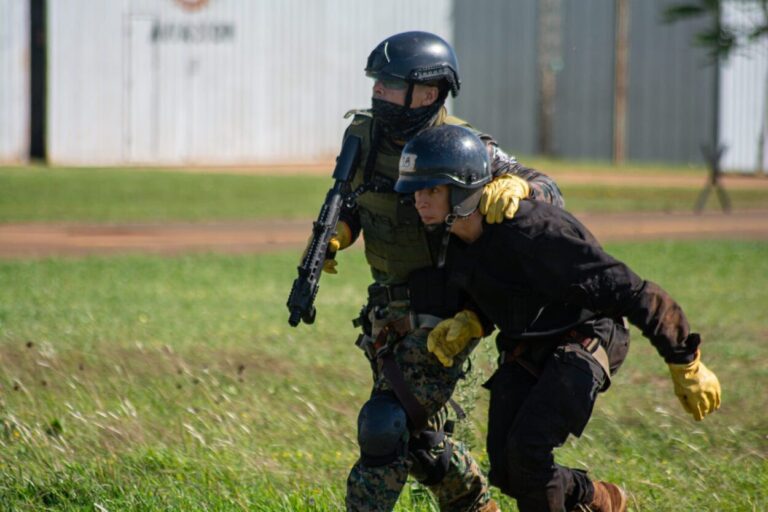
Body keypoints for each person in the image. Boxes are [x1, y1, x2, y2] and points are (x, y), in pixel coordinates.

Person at [393, 124, 722, 512]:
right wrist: (474, 321)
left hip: (586, 335)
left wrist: (685, 360)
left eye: (432, 189)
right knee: (506, 468)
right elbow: (504, 286)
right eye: (417, 190)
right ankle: (597, 497)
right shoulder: (454, 237)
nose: (420, 201)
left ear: (465, 188)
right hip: (528, 344)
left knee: (528, 453)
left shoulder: (532, 230)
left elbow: (631, 290)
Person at [321, 31, 565, 512]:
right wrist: (336, 238)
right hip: (385, 309)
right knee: (414, 438)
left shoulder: (462, 143)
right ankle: (476, 505)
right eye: (377, 83)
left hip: (448, 314)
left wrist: (517, 188)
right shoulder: (364, 138)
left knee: (385, 424)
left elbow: (548, 188)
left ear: (428, 93)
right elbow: (353, 203)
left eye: (390, 84)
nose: (377, 93)